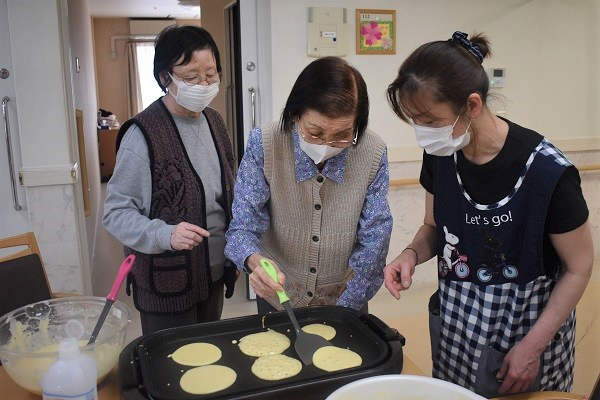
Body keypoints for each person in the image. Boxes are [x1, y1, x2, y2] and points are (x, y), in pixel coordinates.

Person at [384, 31, 593, 397]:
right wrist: (410, 255)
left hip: (526, 332)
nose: (422, 134)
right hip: (459, 328)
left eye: (430, 120)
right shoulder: (441, 155)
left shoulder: (547, 173)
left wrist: (533, 347)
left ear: (473, 105)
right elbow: (433, 226)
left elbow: (579, 268)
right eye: (414, 121)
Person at [225, 56, 392, 314]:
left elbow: (375, 239)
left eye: (342, 135)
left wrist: (344, 312)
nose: (327, 144)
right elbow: (242, 227)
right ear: (295, 114)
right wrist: (254, 262)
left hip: (348, 297)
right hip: (278, 295)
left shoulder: (372, 152)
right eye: (314, 132)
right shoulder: (266, 143)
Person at [103, 25, 238, 335]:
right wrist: (165, 234)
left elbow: (227, 193)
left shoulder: (215, 121)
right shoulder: (143, 134)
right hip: (166, 282)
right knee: (170, 367)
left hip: (214, 273)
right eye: (191, 77)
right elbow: (116, 213)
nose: (203, 85)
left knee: (207, 360)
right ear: (166, 78)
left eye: (211, 75)